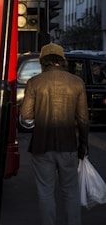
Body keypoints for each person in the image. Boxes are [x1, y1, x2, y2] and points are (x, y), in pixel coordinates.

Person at [20, 43, 89, 225]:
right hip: (68, 146)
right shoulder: (77, 82)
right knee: (70, 191)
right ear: (62, 60)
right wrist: (83, 144)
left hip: (41, 145)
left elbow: (26, 115)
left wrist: (38, 122)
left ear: (42, 61)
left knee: (45, 192)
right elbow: (83, 119)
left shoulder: (35, 82)